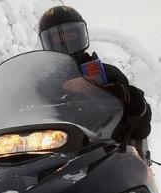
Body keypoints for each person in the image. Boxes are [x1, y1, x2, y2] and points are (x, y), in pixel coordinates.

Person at [38, 6, 152, 149]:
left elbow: (142, 128)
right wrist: (63, 87)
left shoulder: (109, 74)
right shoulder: (43, 83)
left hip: (110, 154)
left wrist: (123, 94)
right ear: (47, 42)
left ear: (81, 35)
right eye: (57, 39)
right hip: (59, 156)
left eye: (71, 36)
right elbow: (27, 113)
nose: (65, 43)